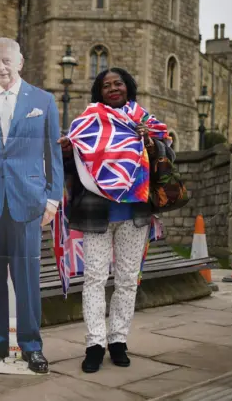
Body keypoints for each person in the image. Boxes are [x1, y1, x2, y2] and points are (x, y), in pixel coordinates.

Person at [58, 67, 173, 373]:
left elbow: (167, 155)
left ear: (127, 87)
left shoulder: (143, 120)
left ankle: (119, 340)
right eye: (106, 85)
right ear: (99, 91)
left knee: (126, 280)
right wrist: (68, 151)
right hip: (96, 212)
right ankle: (94, 344)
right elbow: (74, 165)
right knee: (94, 279)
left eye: (118, 83)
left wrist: (150, 143)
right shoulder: (86, 121)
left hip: (135, 212)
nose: (112, 88)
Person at [0, 38, 64, 374]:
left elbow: (54, 155)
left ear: (20, 62)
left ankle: (32, 347)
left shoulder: (44, 101)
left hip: (28, 201)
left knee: (28, 279)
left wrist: (52, 199)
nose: (1, 68)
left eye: (7, 61)